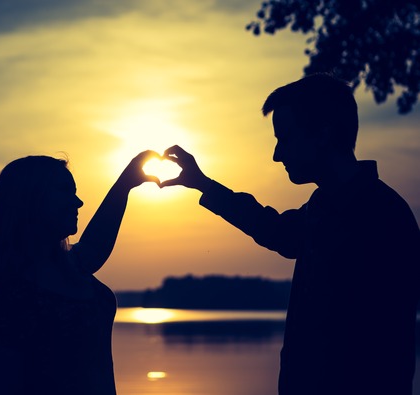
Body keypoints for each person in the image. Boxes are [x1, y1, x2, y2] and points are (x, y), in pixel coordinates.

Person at [161, 74, 420, 395]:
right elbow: (278, 232)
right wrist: (203, 184)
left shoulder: (379, 216)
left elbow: (379, 351)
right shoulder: (326, 206)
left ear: (323, 134)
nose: (276, 154)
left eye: (285, 138)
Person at [0, 150, 160, 395]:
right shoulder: (6, 295)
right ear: (31, 200)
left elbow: (95, 244)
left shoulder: (71, 264)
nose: (78, 202)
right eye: (65, 192)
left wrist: (126, 182)